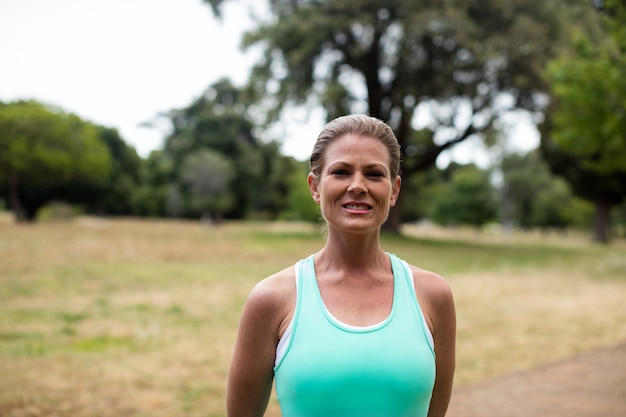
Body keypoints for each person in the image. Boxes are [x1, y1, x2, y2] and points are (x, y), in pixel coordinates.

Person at [226, 114, 456, 417]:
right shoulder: (271, 299)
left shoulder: (432, 295)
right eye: (341, 172)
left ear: (395, 189)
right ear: (315, 186)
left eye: (374, 174)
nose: (358, 186)